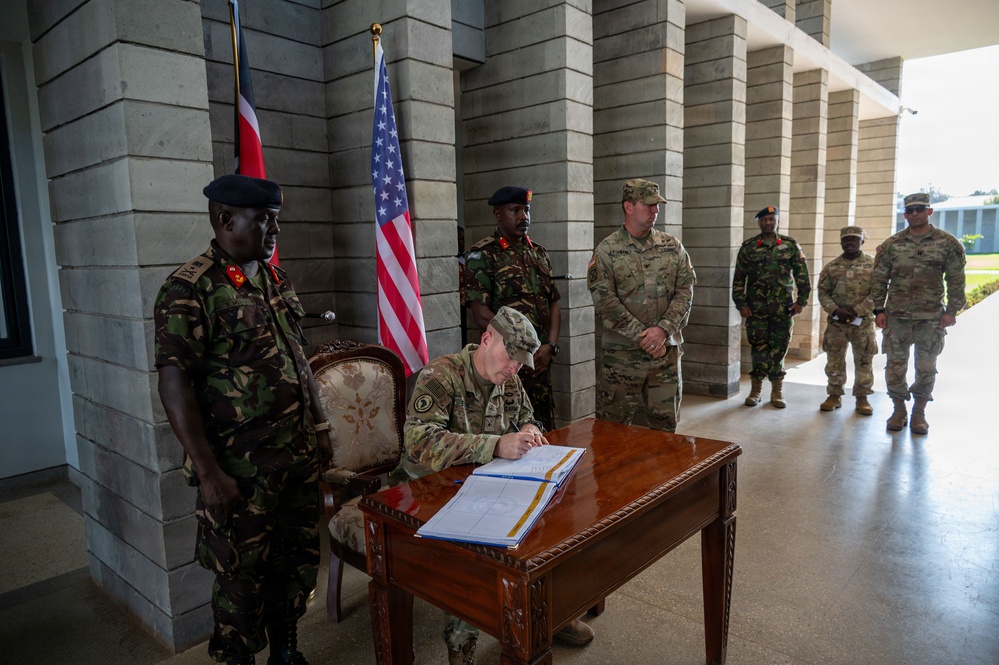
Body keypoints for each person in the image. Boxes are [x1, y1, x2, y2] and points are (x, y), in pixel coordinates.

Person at [154, 174, 334, 665]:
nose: (274, 229)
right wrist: (209, 472)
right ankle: (237, 657)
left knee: (295, 562)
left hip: (293, 455)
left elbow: (298, 358)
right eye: (263, 220)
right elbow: (174, 385)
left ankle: (287, 650)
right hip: (239, 467)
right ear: (226, 219)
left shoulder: (273, 278)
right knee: (241, 575)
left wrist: (319, 429)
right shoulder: (189, 289)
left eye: (275, 219)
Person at [391, 306, 593, 665]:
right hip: (428, 488)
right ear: (486, 339)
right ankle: (462, 646)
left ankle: (548, 616)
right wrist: (494, 445)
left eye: (520, 362)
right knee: (468, 545)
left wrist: (531, 428)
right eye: (509, 357)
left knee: (549, 520)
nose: (514, 368)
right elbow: (418, 442)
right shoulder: (442, 375)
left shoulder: (510, 379)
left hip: (488, 481)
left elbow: (528, 415)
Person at [587, 178, 696, 433]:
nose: (655, 211)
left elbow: (686, 290)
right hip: (622, 360)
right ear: (628, 206)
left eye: (657, 206)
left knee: (665, 430)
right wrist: (645, 337)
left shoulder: (673, 246)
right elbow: (605, 301)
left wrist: (663, 331)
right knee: (613, 432)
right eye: (648, 205)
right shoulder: (607, 251)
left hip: (665, 357)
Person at [463, 186, 562, 431]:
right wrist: (521, 349)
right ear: (498, 214)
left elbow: (553, 303)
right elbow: (480, 314)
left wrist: (549, 346)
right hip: (504, 364)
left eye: (526, 210)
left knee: (541, 428)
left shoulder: (539, 253)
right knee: (506, 432)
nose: (523, 217)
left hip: (540, 363)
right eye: (515, 210)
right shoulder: (483, 254)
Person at [871, 192, 966, 434]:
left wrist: (952, 310)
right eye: (910, 210)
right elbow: (879, 279)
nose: (915, 214)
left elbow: (956, 279)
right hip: (897, 317)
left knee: (926, 366)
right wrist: (879, 309)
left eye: (920, 209)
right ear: (905, 215)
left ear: (929, 211)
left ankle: (919, 412)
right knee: (895, 366)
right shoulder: (892, 245)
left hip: (930, 318)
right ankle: (899, 409)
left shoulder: (947, 243)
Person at [732, 205, 811, 408]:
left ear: (777, 221)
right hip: (756, 309)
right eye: (764, 219)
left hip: (782, 309)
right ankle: (756, 390)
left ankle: (777, 392)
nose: (768, 222)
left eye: (771, 219)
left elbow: (802, 275)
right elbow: (739, 278)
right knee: (758, 349)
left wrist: (801, 301)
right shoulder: (749, 246)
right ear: (759, 222)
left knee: (779, 349)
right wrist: (741, 304)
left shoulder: (790, 245)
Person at [817, 226, 877, 415]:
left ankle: (862, 398)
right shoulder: (831, 267)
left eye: (854, 239)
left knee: (864, 360)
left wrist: (857, 311)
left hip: (863, 323)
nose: (849, 242)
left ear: (862, 241)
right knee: (834, 359)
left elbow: (878, 292)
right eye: (846, 239)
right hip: (837, 324)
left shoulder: (873, 265)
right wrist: (836, 310)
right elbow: (823, 292)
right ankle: (834, 395)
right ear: (841, 242)